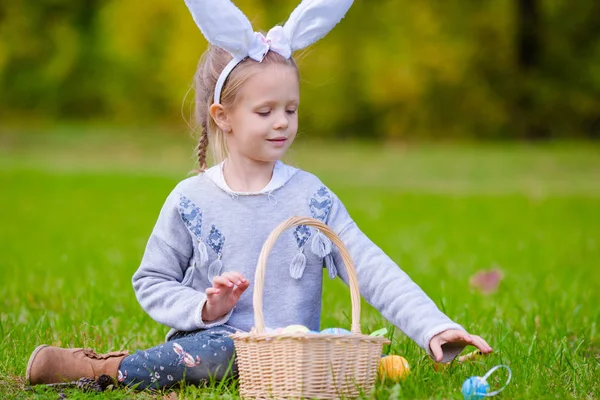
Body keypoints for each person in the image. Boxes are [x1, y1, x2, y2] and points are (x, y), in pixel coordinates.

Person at [26, 0, 492, 391]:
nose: (282, 122)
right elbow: (151, 280)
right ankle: (105, 369)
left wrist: (433, 326)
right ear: (223, 116)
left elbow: (369, 267)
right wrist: (206, 308)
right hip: (216, 343)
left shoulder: (311, 197)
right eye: (265, 110)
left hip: (290, 360)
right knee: (223, 352)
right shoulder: (192, 200)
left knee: (342, 348)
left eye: (290, 109)